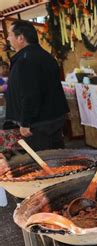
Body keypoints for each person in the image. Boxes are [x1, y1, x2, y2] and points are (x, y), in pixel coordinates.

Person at [5, 20, 69, 151]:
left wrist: (25, 122)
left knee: (44, 160)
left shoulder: (26, 60)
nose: (7, 38)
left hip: (40, 124)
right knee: (57, 156)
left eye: (10, 35)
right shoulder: (44, 56)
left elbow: (30, 94)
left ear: (21, 38)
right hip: (51, 119)